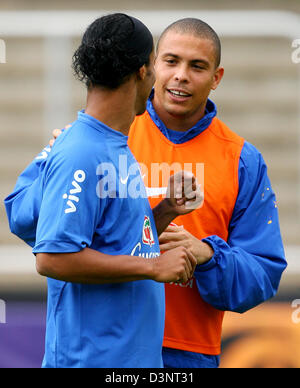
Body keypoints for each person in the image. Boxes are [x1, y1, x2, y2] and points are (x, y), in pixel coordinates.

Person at [5, 18, 287, 368]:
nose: (181, 75)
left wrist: (205, 253)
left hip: (186, 353)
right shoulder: (97, 137)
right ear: (149, 68)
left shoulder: (241, 160)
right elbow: (39, 233)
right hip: (100, 346)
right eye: (170, 61)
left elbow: (263, 274)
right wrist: (56, 170)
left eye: (197, 66)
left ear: (217, 78)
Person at [5, 13, 204, 368]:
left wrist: (166, 211)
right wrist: (155, 266)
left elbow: (116, 241)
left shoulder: (114, 144)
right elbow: (53, 258)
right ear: (143, 71)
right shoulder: (83, 150)